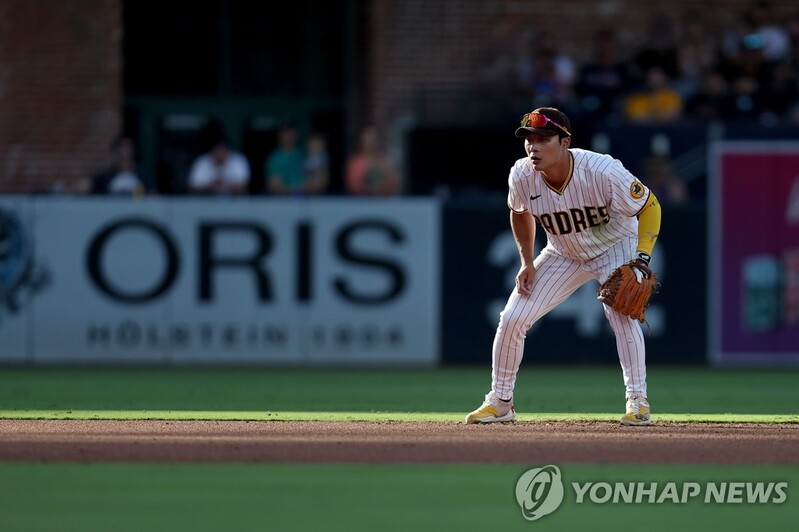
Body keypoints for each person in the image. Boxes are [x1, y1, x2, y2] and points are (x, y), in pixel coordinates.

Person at [465, 107, 662, 426]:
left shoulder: (602, 171)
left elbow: (650, 205)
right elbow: (519, 212)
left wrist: (641, 258)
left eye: (543, 138)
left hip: (614, 246)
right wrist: (527, 261)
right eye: (529, 138)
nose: (533, 145)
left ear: (565, 141)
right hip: (563, 252)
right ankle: (501, 402)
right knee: (513, 318)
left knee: (620, 313)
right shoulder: (521, 174)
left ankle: (637, 401)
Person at [345, 126, 400, 196]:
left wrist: (382, 185)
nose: (371, 140)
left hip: (381, 202)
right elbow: (353, 185)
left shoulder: (384, 161)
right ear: (361, 139)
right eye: (368, 136)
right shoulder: (355, 162)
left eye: (374, 136)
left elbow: (393, 183)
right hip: (360, 202)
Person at [265, 122, 306, 195]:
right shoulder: (275, 158)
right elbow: (274, 185)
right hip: (283, 202)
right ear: (280, 135)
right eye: (285, 133)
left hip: (308, 201)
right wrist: (294, 191)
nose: (289, 136)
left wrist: (302, 189)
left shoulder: (304, 154)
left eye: (291, 132)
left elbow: (317, 182)